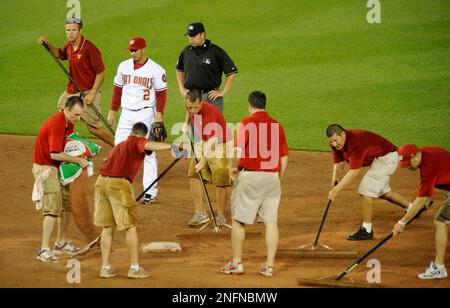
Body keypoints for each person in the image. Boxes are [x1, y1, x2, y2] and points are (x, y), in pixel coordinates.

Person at [94, 122, 177, 279]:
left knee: (107, 227)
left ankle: (105, 267)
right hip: (119, 185)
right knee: (130, 227)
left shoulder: (120, 146)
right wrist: (172, 146)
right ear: (142, 135)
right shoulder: (137, 141)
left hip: (101, 183)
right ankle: (134, 268)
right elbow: (148, 145)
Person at [221, 91, 288, 277]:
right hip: (272, 178)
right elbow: (284, 158)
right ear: (264, 105)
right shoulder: (277, 125)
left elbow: (236, 149)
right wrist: (277, 179)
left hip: (250, 177)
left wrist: (232, 169)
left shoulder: (246, 123)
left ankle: (237, 263)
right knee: (271, 222)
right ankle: (269, 266)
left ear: (250, 105)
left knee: (238, 221)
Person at [108, 37, 168, 205]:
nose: (132, 53)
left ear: (144, 49)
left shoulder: (156, 69)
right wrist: (112, 112)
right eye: (131, 50)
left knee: (147, 152)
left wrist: (158, 117)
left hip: (145, 114)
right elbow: (117, 91)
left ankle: (150, 191)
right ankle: (118, 185)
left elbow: (161, 95)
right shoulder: (123, 66)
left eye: (135, 50)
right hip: (126, 114)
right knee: (118, 148)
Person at [37, 18, 114, 147]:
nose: (70, 33)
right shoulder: (69, 46)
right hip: (73, 89)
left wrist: (92, 94)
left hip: (89, 91)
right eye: (68, 30)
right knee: (64, 112)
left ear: (80, 31)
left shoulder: (89, 48)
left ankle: (117, 147)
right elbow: (60, 54)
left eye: (73, 30)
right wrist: (47, 44)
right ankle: (65, 143)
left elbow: (101, 73)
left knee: (93, 128)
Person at [326, 124, 412, 240]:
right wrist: (335, 177)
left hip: (387, 158)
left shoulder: (356, 143)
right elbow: (338, 161)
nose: (334, 144)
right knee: (381, 191)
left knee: (366, 190)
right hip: (379, 159)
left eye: (335, 140)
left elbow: (354, 171)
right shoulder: (336, 143)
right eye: (331, 142)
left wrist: (336, 190)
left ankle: (366, 230)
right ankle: (412, 208)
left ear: (343, 134)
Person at [33, 96, 89, 262]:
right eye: (76, 115)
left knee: (66, 204)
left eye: (81, 115)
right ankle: (43, 249)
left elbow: (68, 145)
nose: (78, 119)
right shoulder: (57, 123)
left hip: (58, 167)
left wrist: (85, 152)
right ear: (66, 109)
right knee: (52, 208)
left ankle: (61, 242)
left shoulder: (69, 122)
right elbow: (54, 154)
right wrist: (78, 160)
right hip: (46, 167)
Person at [393, 144, 450, 280]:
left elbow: (421, 200)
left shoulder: (428, 169)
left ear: (417, 156)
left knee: (440, 221)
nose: (407, 166)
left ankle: (439, 268)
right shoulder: (427, 152)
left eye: (408, 163)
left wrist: (402, 223)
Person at [182, 89, 232, 226]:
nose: (192, 110)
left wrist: (203, 161)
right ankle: (201, 213)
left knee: (220, 179)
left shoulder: (210, 113)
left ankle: (221, 216)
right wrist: (186, 123)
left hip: (220, 144)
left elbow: (213, 141)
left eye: (195, 107)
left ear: (202, 102)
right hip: (204, 141)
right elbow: (189, 111)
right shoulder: (191, 106)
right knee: (193, 174)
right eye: (189, 107)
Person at [176, 22, 238, 113]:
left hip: (211, 98)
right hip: (193, 99)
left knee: (214, 126)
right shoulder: (186, 52)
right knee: (198, 127)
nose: (191, 38)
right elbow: (179, 70)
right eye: (189, 35)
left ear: (202, 35)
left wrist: (223, 92)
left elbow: (231, 72)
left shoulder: (215, 51)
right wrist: (182, 89)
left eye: (193, 35)